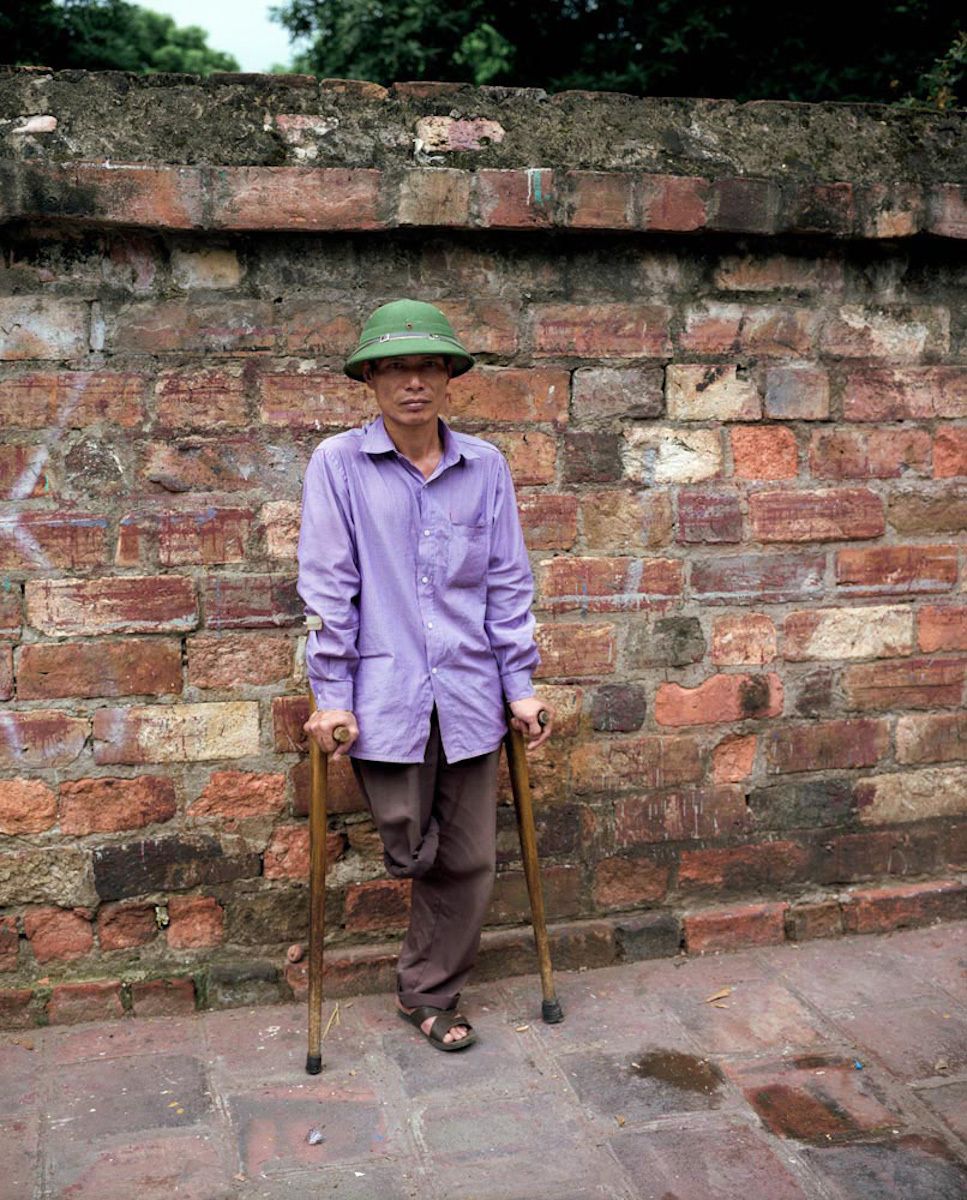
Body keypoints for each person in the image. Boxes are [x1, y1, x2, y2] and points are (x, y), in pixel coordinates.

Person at [298, 299, 553, 1052]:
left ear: (448, 377)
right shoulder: (338, 465)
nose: (414, 381)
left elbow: (507, 585)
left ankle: (428, 992)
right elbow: (327, 589)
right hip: (382, 697)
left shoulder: (485, 467)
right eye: (397, 368)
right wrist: (331, 697)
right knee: (410, 846)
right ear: (371, 378)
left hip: (471, 692)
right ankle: (426, 964)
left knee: (470, 854)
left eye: (429, 366)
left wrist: (522, 687)